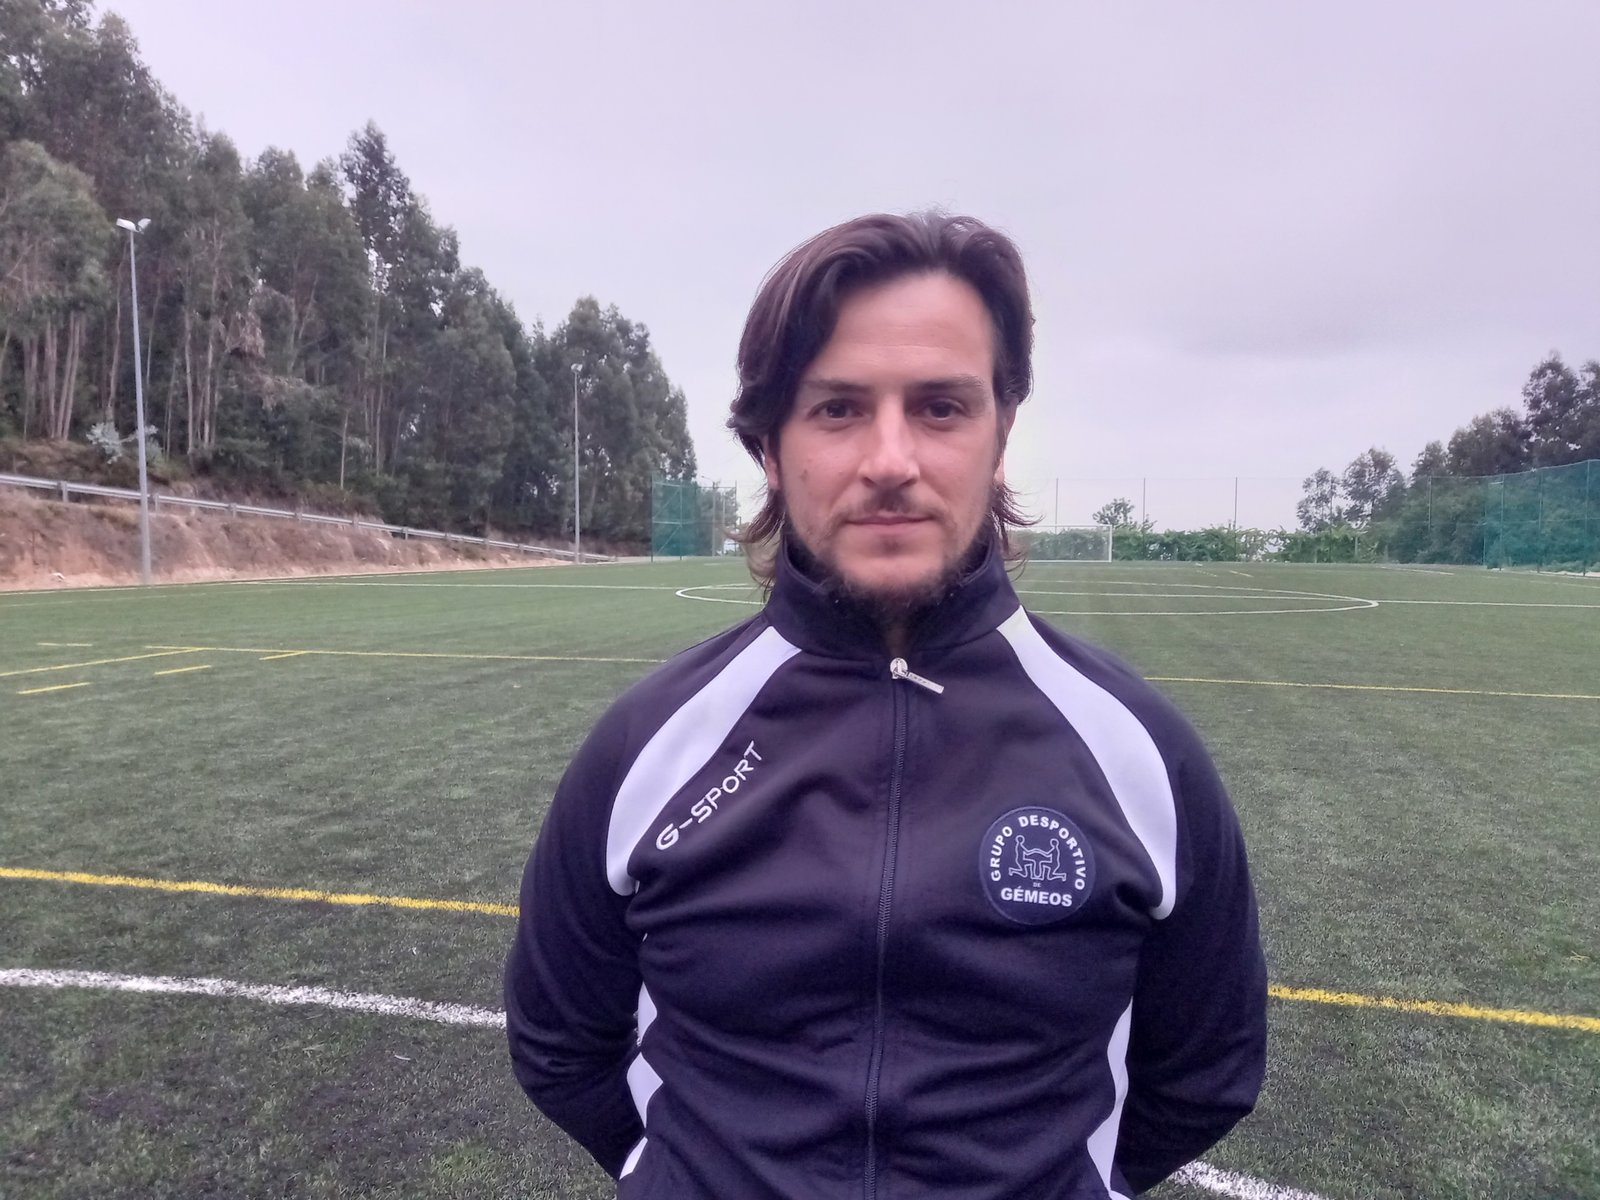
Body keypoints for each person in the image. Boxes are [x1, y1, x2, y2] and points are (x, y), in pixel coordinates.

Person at [505, 212, 1267, 1199]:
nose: (891, 459)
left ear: (1000, 433)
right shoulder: (649, 744)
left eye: (941, 407)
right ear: (770, 447)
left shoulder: (1137, 753)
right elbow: (559, 1042)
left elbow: (1206, 1071)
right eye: (838, 409)